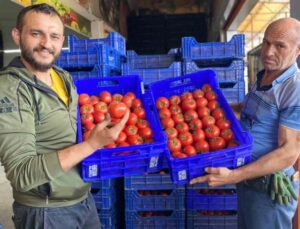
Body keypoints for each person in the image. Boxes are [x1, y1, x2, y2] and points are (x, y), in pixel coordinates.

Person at [0, 3, 128, 229]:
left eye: (55, 36)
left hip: (82, 198)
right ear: (17, 35)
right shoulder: (11, 89)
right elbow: (22, 173)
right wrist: (92, 145)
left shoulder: (62, 77)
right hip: (46, 212)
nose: (46, 44)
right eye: (36, 33)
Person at [190, 17, 300, 229]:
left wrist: (233, 175)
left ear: (297, 50)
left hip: (268, 191)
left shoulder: (293, 88)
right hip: (248, 181)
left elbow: (289, 152)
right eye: (267, 42)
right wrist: (208, 107)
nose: (268, 52)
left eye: (280, 46)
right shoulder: (265, 76)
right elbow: (246, 109)